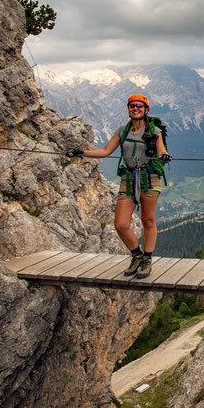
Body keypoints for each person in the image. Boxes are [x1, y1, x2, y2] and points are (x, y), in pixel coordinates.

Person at [66, 94, 171, 278]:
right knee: (121, 224)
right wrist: (81, 152)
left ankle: (147, 259)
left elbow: (162, 150)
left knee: (148, 220)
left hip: (149, 178)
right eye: (132, 106)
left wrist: (164, 156)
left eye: (139, 106)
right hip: (129, 178)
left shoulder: (154, 131)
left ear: (146, 109)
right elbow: (105, 151)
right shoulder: (123, 130)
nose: (135, 108)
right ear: (128, 109)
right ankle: (136, 255)